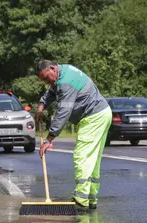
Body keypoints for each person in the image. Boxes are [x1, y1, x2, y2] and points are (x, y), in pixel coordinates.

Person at [34, 59, 112, 210]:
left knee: (82, 156)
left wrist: (49, 140)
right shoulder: (64, 72)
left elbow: (63, 113)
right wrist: (40, 107)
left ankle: (80, 200)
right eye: (43, 80)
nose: (46, 82)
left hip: (93, 117)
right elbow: (51, 92)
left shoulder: (65, 83)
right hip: (102, 113)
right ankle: (90, 198)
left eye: (46, 78)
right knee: (93, 159)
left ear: (52, 69)